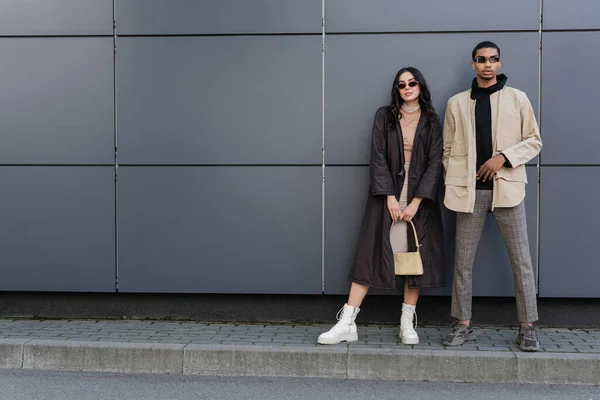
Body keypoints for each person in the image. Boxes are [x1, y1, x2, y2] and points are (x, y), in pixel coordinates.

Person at [318, 67, 446, 345]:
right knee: (370, 253)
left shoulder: (433, 121)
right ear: (396, 90)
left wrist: (417, 201)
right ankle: (347, 322)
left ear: (421, 86)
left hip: (417, 198)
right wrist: (388, 195)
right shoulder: (384, 116)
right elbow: (377, 155)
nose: (407, 88)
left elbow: (435, 164)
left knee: (413, 258)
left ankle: (406, 323)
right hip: (386, 194)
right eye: (402, 85)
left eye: (412, 83)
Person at [440, 41, 543, 351]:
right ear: (473, 64)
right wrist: (459, 172)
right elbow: (447, 149)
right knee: (463, 263)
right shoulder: (456, 103)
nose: (488, 64)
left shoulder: (517, 98)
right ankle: (463, 325)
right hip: (468, 194)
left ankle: (527, 327)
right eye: (481, 59)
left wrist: (503, 158)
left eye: (493, 59)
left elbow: (534, 141)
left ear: (499, 63)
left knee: (521, 261)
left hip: (507, 191)